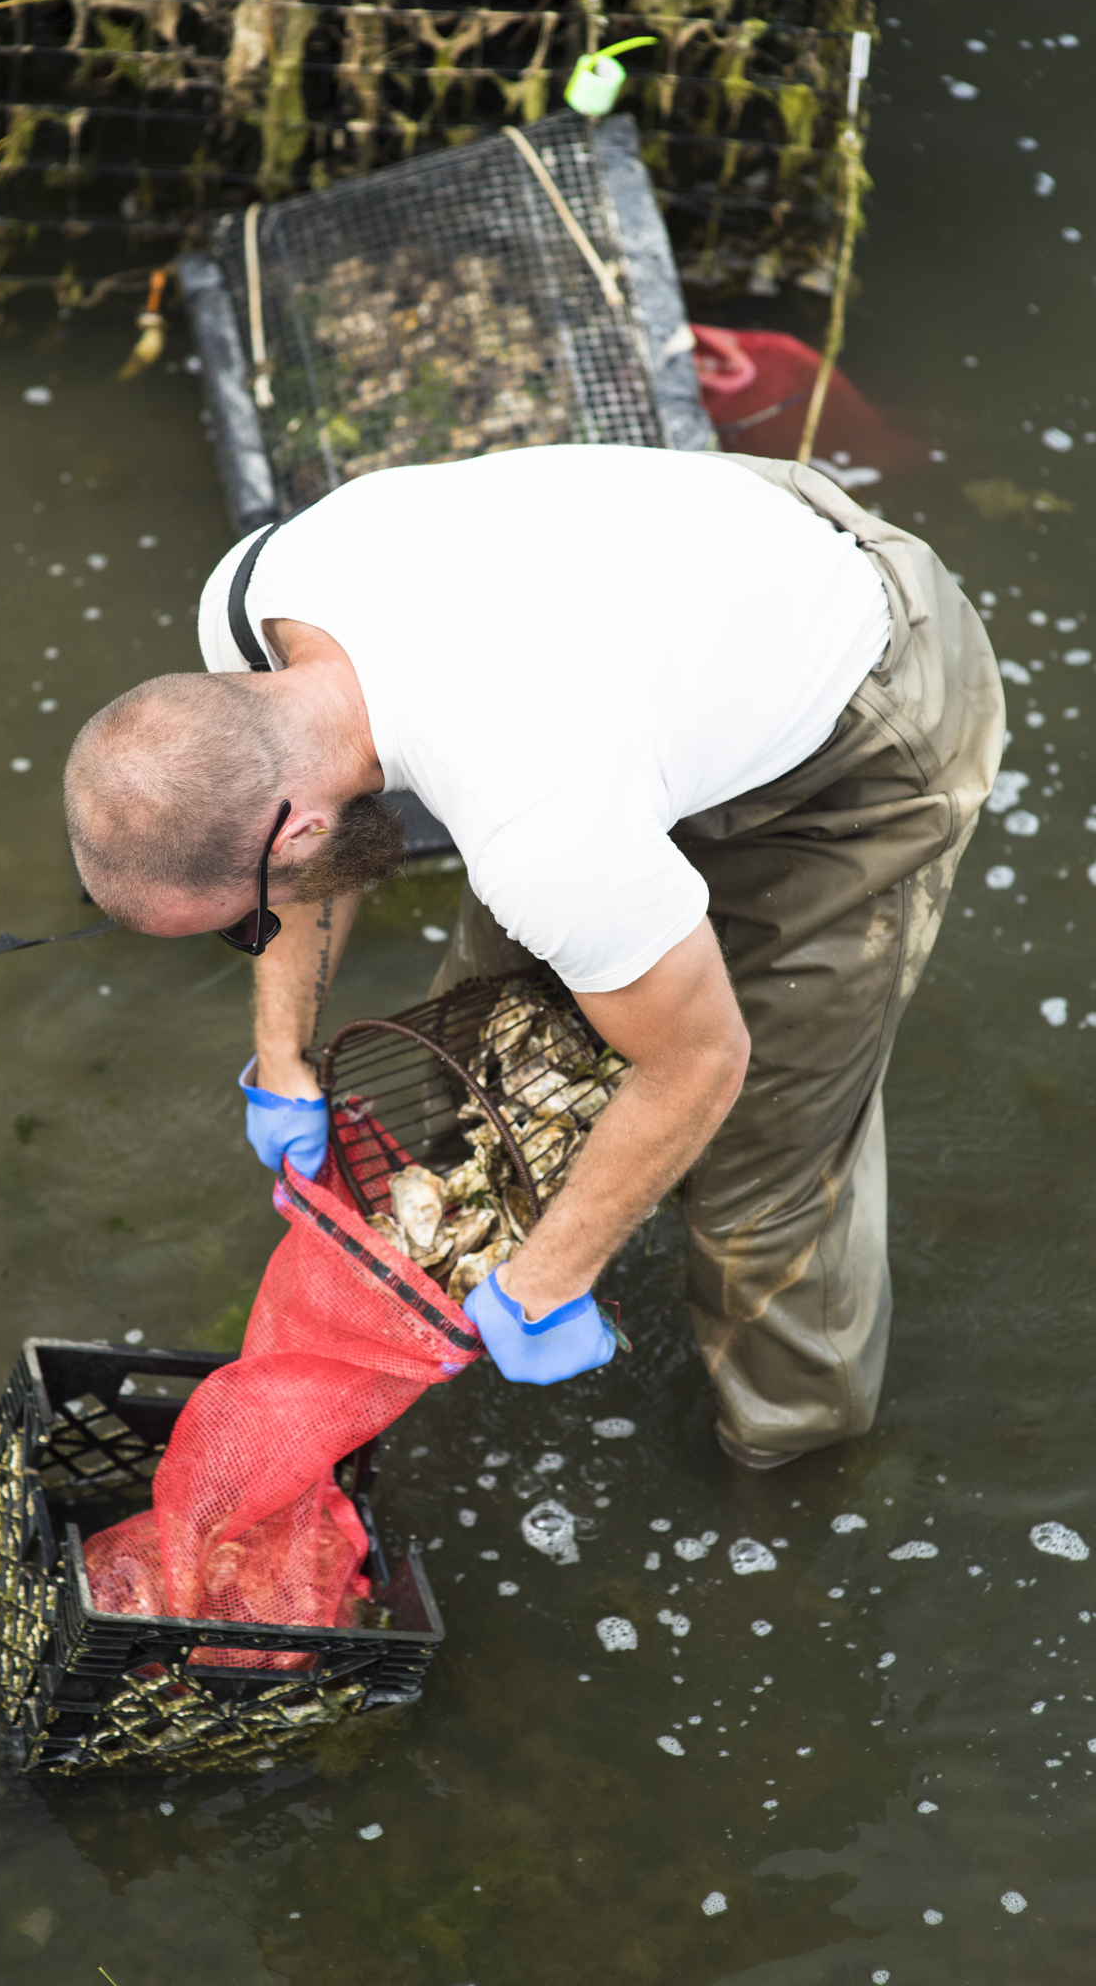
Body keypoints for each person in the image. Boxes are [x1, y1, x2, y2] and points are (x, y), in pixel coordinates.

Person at [64, 445, 1003, 1466]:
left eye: (247, 914)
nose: (259, 929)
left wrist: (546, 1280)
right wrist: (283, 1053)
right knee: (480, 1044)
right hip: (657, 610)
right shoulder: (252, 610)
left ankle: (800, 1457)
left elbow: (702, 1060)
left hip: (856, 703)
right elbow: (303, 850)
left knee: (759, 1170)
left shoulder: (541, 822)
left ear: (292, 834)